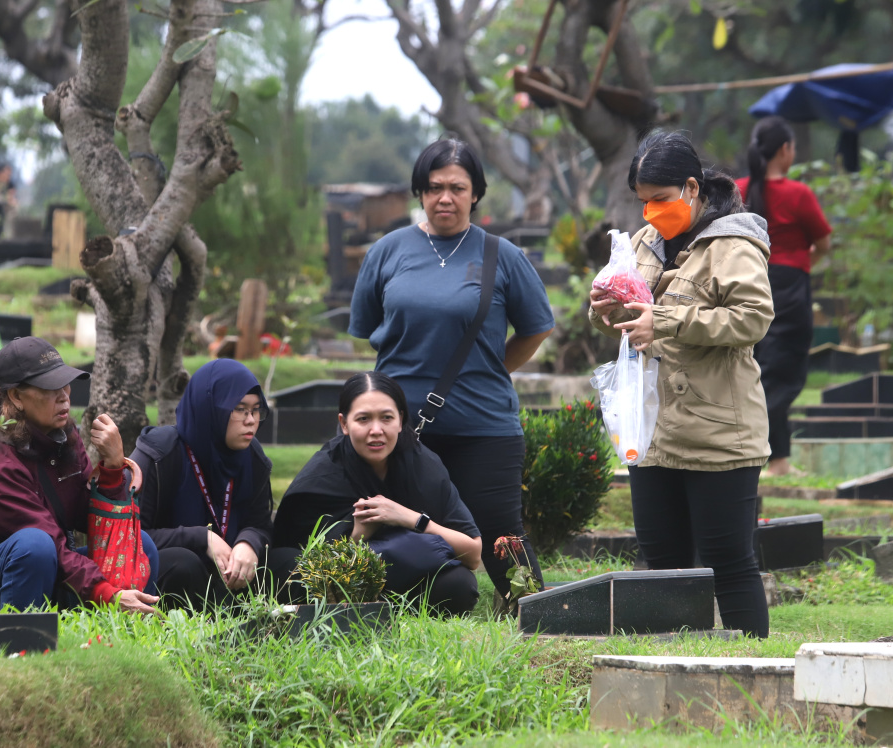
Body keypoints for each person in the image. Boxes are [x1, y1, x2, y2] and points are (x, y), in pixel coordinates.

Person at [348, 137, 555, 599]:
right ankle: (396, 611)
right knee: (392, 527)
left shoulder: (502, 256)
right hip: (400, 430)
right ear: (420, 191)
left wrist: (492, 367)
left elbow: (536, 328)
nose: (446, 197)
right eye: (435, 186)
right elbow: (366, 329)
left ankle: (536, 618)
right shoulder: (387, 251)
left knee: (503, 532)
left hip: (485, 425)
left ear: (476, 193)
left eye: (458, 188)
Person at [588, 131, 775, 638]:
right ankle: (672, 667)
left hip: (718, 430)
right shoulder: (645, 242)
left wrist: (665, 321)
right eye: (643, 201)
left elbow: (752, 319)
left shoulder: (733, 244)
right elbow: (634, 315)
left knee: (727, 562)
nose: (650, 212)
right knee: (662, 559)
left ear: (692, 188)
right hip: (652, 429)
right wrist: (609, 310)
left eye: (661, 200)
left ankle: (751, 671)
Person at [0, 337, 160, 614]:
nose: (64, 395)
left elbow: (87, 518)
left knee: (140, 545)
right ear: (15, 395)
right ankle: (21, 643)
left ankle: (125, 638)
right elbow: (45, 537)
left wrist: (112, 467)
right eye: (51, 387)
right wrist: (106, 594)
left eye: (65, 383)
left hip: (42, 568)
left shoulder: (63, 436)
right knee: (34, 545)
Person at [273, 372, 482, 616]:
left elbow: (473, 555)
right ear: (344, 424)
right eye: (363, 419)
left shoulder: (424, 466)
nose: (376, 430)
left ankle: (375, 609)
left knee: (459, 585)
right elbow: (300, 558)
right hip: (339, 582)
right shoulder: (322, 476)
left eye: (386, 418)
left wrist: (410, 518)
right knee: (287, 570)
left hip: (407, 566)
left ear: (401, 419)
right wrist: (359, 532)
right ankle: (368, 609)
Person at [130, 359, 283, 608]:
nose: (251, 420)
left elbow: (260, 524)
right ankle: (230, 624)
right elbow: (132, 535)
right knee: (184, 563)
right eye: (239, 409)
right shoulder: (160, 454)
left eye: (256, 410)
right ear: (209, 408)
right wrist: (202, 538)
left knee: (286, 562)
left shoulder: (251, 457)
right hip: (169, 571)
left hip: (232, 574)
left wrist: (248, 543)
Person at [735, 116, 833, 477]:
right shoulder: (797, 194)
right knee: (781, 374)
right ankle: (773, 460)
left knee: (752, 367)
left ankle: (768, 457)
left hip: (744, 284)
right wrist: (803, 262)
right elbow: (823, 244)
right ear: (784, 150)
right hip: (789, 289)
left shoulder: (737, 190)